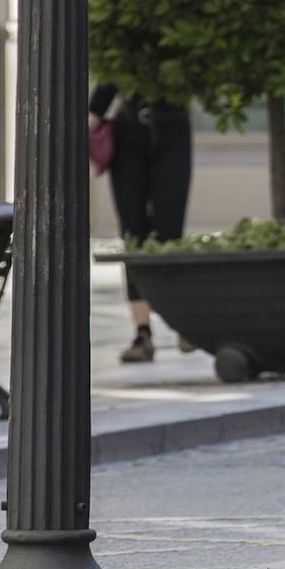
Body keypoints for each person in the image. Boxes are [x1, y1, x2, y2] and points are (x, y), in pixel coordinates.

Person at [89, 85, 193, 363]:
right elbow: (110, 79)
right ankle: (142, 332)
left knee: (170, 234)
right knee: (133, 236)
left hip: (174, 129)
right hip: (128, 133)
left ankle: (181, 322)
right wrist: (92, 115)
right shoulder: (125, 43)